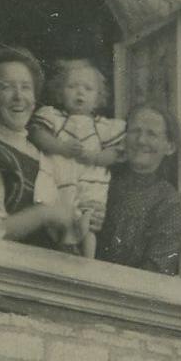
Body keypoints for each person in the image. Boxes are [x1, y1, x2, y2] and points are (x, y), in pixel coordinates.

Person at [0, 48, 89, 250]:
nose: (18, 96)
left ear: (34, 99)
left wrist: (77, 225)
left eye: (26, 87)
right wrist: (45, 213)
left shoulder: (45, 156)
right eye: (6, 87)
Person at [28, 54, 127, 238]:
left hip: (89, 182)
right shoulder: (55, 117)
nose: (80, 92)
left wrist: (95, 157)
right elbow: (37, 134)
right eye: (72, 86)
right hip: (60, 176)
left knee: (88, 223)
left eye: (88, 88)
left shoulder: (103, 126)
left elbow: (116, 152)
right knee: (57, 217)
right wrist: (60, 147)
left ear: (98, 98)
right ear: (60, 92)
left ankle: (87, 250)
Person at [96, 103, 181, 278]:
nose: (141, 140)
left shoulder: (171, 203)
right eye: (135, 131)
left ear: (170, 147)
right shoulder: (100, 180)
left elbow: (155, 272)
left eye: (152, 134)